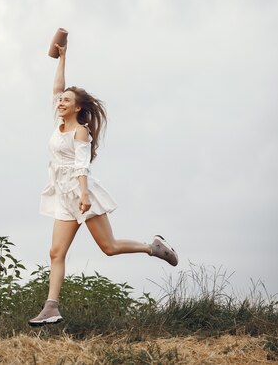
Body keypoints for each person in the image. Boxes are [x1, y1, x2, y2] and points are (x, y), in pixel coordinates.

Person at [28, 40, 178, 326]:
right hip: (63, 196)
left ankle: (153, 247)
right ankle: (51, 308)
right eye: (60, 100)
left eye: (66, 101)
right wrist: (62, 57)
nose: (60, 102)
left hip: (82, 193)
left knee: (108, 248)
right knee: (55, 252)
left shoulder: (80, 132)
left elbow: (81, 165)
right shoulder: (59, 121)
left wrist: (84, 195)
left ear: (78, 108)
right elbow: (56, 87)